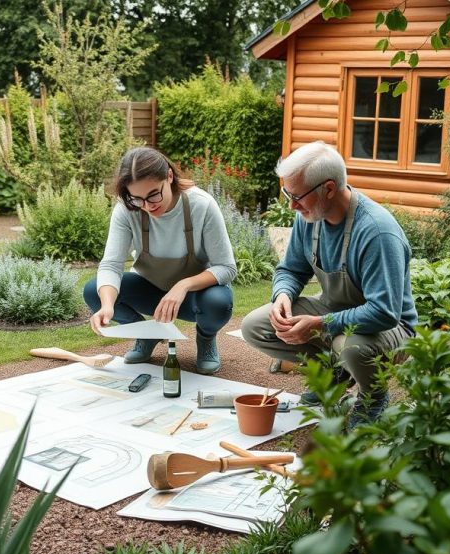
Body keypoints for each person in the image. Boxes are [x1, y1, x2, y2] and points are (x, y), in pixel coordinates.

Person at [241, 141, 417, 425]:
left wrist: (319, 324)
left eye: (297, 196)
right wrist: (283, 295)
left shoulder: (376, 232)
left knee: (349, 344)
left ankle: (373, 396)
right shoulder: (309, 216)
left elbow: (385, 312)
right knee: (256, 326)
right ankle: (334, 374)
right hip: (333, 309)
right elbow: (291, 269)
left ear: (329, 188)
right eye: (288, 193)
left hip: (390, 328)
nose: (292, 204)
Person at [84, 146, 237, 374]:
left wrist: (183, 285)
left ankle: (205, 339)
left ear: (169, 176)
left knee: (219, 303)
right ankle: (146, 335)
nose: (148, 205)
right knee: (93, 290)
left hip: (194, 297)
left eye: (154, 194)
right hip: (151, 290)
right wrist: (107, 305)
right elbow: (111, 265)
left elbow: (226, 268)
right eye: (137, 199)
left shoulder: (201, 205)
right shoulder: (127, 209)